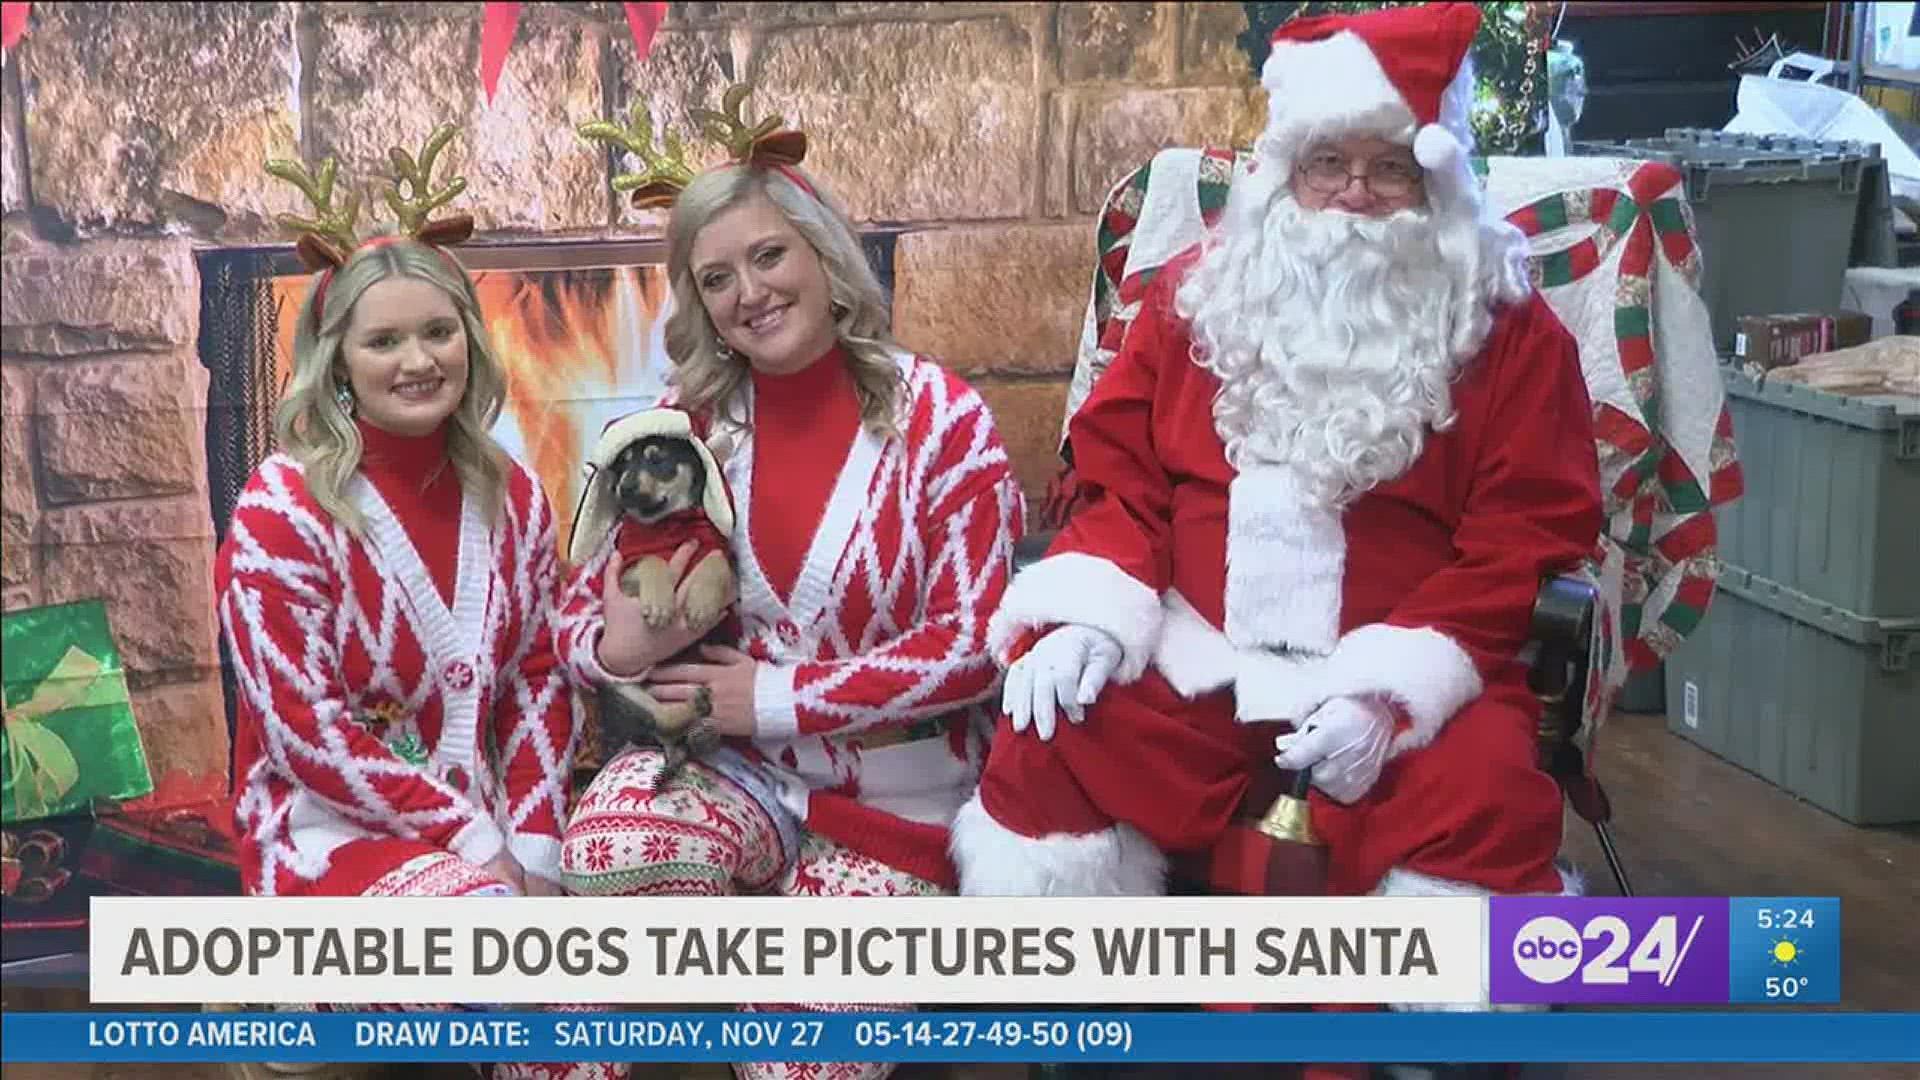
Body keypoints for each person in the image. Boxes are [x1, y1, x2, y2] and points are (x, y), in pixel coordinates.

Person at [953, 2, 1601, 919]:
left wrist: (1389, 696)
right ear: (1283, 174)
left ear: (1439, 188)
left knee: (1485, 797)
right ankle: (1080, 993)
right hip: (1197, 648)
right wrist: (1095, 615)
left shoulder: (1509, 333)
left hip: (1409, 652)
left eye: (1390, 170)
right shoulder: (1197, 299)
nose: (1353, 193)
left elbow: (1526, 536)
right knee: (1053, 734)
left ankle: (1434, 1043)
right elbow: (1118, 478)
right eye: (1328, 163)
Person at [556, 90, 1025, 1080]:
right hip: (748, 780)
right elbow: (569, 606)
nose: (748, 293)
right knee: (609, 841)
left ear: (822, 255)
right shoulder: (690, 422)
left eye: (768, 256)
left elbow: (980, 641)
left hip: (905, 806)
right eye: (715, 277)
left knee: (798, 1058)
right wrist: (614, 650)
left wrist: (772, 698)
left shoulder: (940, 418)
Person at [215, 148, 617, 1079]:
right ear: (338, 364)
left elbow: (539, 681)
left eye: (439, 333)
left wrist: (536, 847)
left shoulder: (512, 495)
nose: (416, 359)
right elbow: (304, 737)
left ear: (471, 344)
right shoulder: (281, 511)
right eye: (384, 341)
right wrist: (481, 848)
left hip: (480, 848)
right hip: (324, 839)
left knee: (583, 1014)